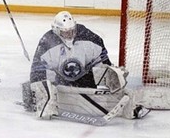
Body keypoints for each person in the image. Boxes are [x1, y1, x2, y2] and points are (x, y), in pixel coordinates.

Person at [22, 11, 150, 121]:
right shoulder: (47, 42)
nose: (70, 35)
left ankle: (130, 105)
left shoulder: (89, 38)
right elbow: (37, 71)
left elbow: (103, 61)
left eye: (72, 31)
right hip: (60, 81)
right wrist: (39, 92)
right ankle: (48, 102)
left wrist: (111, 74)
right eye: (65, 32)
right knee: (39, 84)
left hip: (84, 77)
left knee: (111, 76)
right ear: (56, 31)